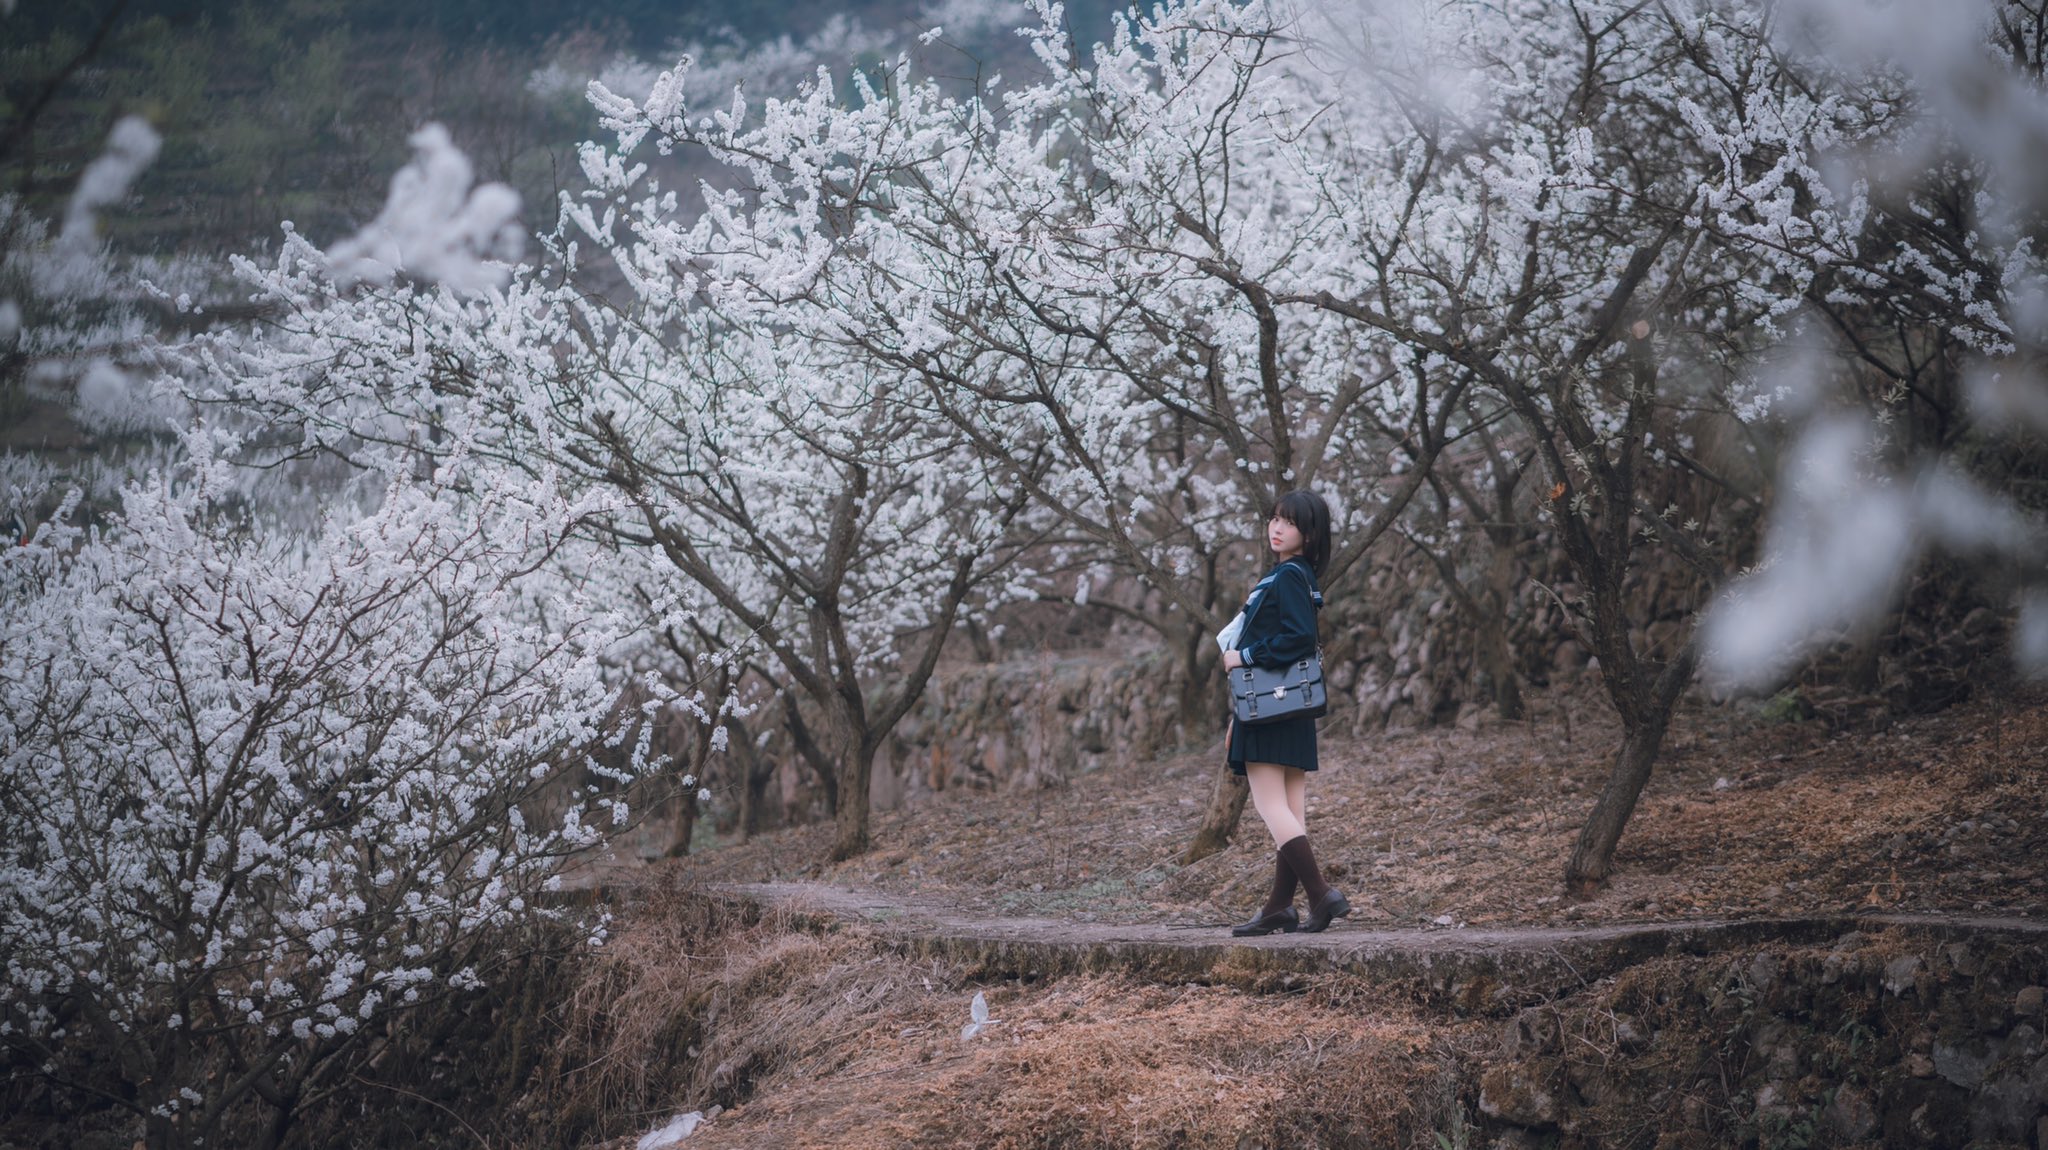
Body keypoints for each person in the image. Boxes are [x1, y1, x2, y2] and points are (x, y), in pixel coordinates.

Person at [1222, 489, 1349, 936]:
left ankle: (1320, 893)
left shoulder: (1290, 576)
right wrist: (1236, 715)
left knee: (1270, 804)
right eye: (1275, 518)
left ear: (1309, 534)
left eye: (1289, 523)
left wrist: (1245, 656)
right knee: (1291, 810)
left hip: (1271, 711)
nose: (1277, 528)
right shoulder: (1295, 576)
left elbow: (1298, 638)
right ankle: (1279, 906)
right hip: (1284, 707)